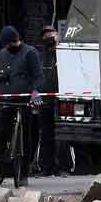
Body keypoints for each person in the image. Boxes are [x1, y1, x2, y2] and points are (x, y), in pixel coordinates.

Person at [0, 26, 44, 186]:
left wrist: (35, 92)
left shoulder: (30, 53)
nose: (8, 47)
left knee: (27, 133)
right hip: (7, 98)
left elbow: (38, 76)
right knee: (0, 131)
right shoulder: (2, 54)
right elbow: (1, 73)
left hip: (25, 99)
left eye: (10, 44)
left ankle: (24, 170)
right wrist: (0, 77)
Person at [37, 25, 61, 176]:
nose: (48, 39)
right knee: (45, 135)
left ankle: (63, 167)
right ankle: (46, 167)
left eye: (51, 36)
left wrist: (59, 46)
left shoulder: (63, 52)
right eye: (45, 36)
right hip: (44, 99)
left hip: (60, 99)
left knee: (61, 135)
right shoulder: (40, 55)